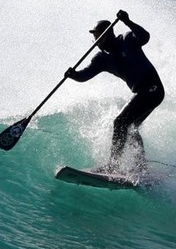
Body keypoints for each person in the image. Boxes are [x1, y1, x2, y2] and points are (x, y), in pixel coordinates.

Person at [65, 10, 165, 173]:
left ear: (109, 34)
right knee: (131, 127)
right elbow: (84, 76)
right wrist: (73, 75)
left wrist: (127, 20)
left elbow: (145, 36)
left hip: (153, 88)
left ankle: (113, 165)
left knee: (120, 122)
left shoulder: (127, 39)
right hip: (141, 93)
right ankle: (141, 167)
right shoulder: (101, 59)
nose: (96, 40)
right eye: (95, 37)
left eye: (99, 36)